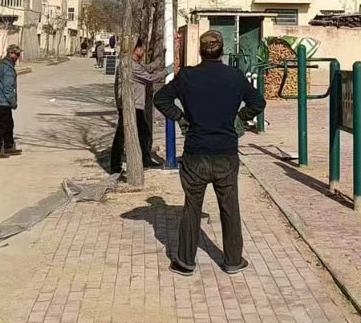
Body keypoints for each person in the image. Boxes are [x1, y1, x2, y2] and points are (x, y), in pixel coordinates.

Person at [154, 30, 266, 276]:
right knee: (230, 207)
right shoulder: (234, 76)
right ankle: (233, 260)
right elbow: (258, 103)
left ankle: (185, 261)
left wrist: (181, 119)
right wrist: (239, 119)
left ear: (200, 51)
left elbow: (161, 99)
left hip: (195, 153)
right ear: (222, 50)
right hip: (226, 153)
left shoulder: (187, 76)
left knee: (192, 207)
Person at [110, 38, 168, 174]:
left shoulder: (133, 63)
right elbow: (150, 77)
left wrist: (160, 60)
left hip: (132, 104)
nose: (144, 51)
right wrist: (168, 71)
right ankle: (137, 161)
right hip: (132, 105)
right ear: (136, 50)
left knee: (129, 133)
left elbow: (147, 68)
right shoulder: (130, 65)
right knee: (136, 133)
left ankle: (122, 163)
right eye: (142, 49)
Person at [0, 44, 22, 159]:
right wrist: (13, 102)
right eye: (16, 54)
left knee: (8, 124)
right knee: (1, 126)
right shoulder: (7, 68)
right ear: (10, 54)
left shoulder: (2, 65)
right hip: (3, 102)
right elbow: (8, 88)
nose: (18, 57)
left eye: (18, 54)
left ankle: (8, 146)